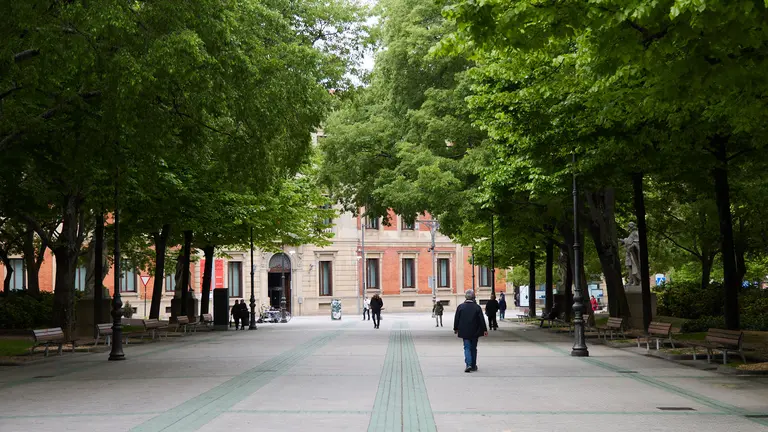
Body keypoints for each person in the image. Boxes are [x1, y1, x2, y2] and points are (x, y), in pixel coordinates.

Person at [454, 290, 488, 373]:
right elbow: (481, 320)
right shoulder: (477, 307)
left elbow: (457, 319)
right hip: (475, 331)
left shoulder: (460, 307)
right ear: (473, 297)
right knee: (473, 348)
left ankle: (468, 364)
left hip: (464, 331)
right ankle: (473, 365)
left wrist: (456, 328)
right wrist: (484, 330)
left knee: (466, 347)